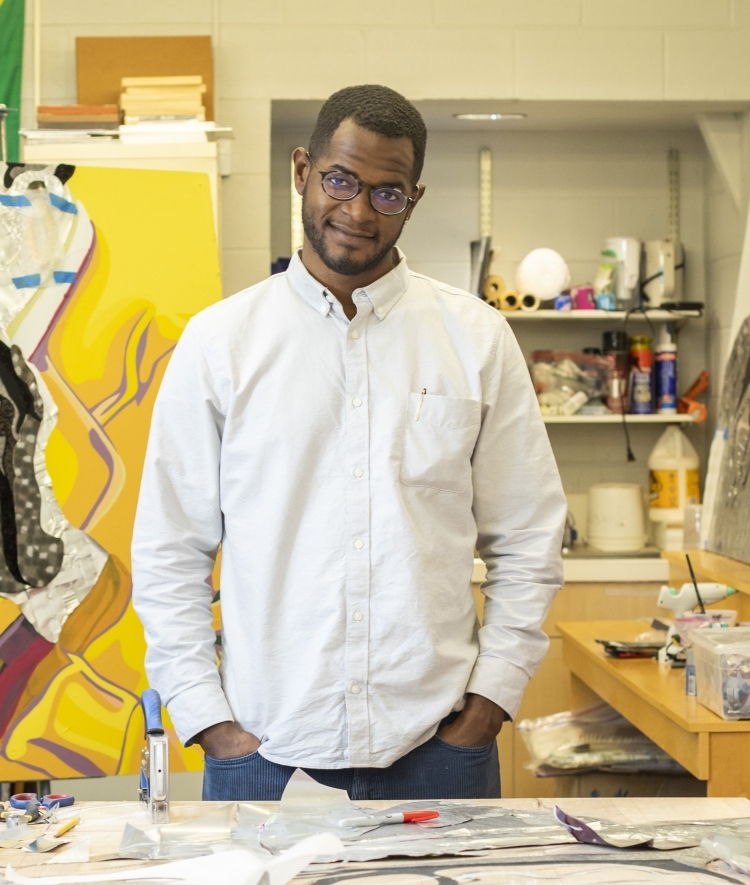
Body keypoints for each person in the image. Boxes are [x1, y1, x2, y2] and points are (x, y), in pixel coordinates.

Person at [132, 84, 566, 802]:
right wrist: (209, 720)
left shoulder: (476, 338)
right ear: (303, 170)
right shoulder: (220, 343)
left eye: (387, 192)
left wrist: (491, 701)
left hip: (441, 749)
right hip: (263, 752)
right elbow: (168, 550)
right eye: (341, 180)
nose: (359, 211)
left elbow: (529, 536)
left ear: (414, 197)